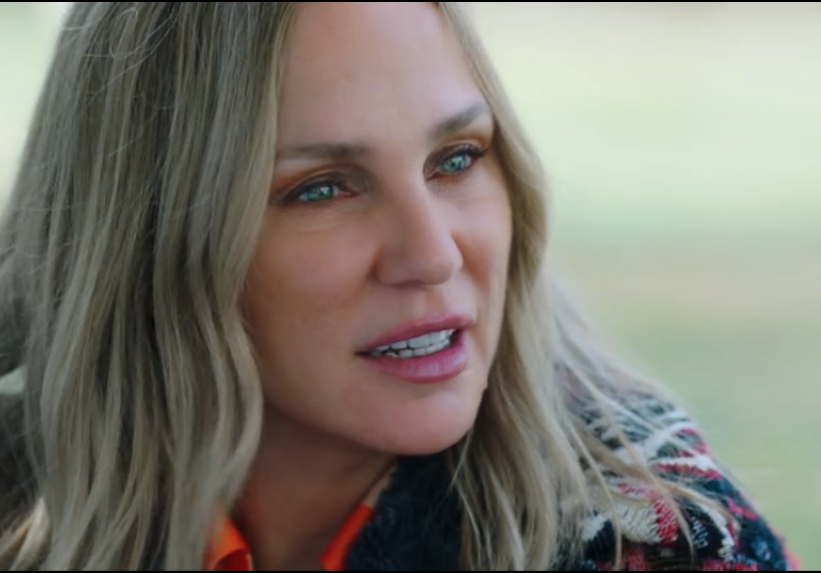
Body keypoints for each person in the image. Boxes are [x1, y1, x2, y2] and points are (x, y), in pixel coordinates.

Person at [0, 2, 798, 571]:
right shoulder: (26, 503)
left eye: (457, 158)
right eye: (321, 188)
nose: (433, 254)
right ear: (145, 235)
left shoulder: (655, 544)